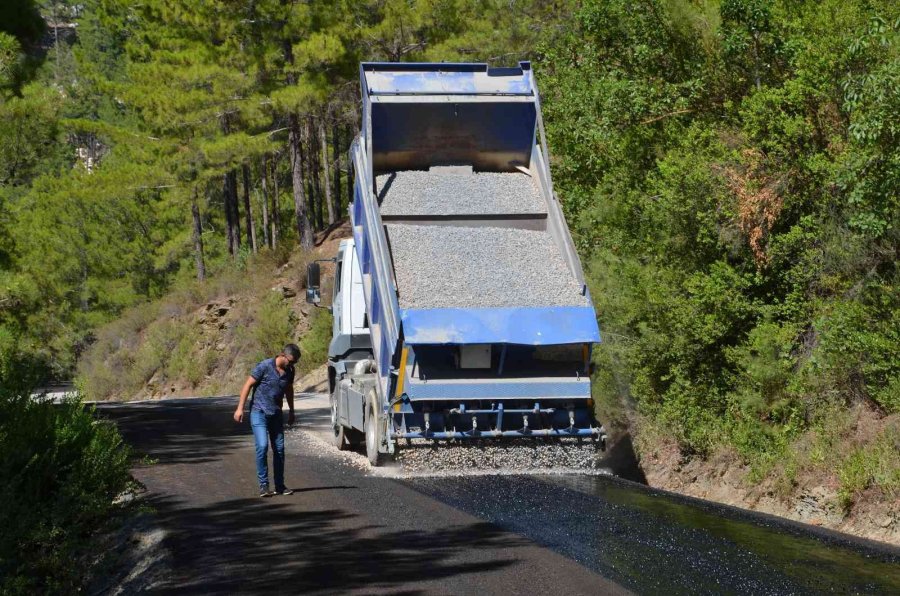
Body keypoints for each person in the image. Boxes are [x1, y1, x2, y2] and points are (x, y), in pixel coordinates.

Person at [234, 344, 299, 497]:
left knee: (279, 449)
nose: (292, 364)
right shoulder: (264, 366)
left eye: (295, 362)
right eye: (291, 361)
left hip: (276, 414)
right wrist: (239, 408)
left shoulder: (290, 371)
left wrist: (291, 411)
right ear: (282, 355)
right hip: (259, 412)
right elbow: (247, 385)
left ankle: (280, 485)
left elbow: (289, 390)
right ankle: (264, 485)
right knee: (262, 446)